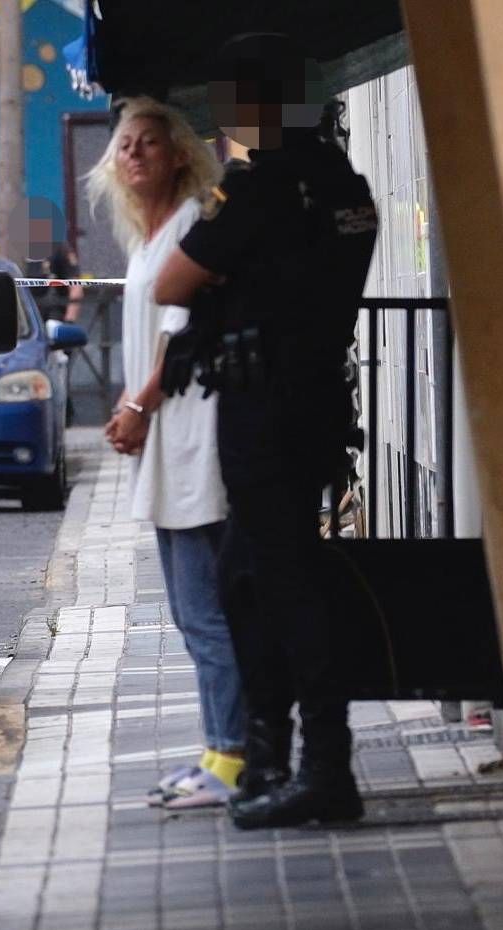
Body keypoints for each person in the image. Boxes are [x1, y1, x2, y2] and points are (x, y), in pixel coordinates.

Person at [154, 37, 379, 830]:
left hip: (263, 411)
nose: (223, 114)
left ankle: (317, 768)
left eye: (233, 100)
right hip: (315, 401)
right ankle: (275, 758)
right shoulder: (342, 182)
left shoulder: (261, 187)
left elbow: (170, 279)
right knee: (252, 582)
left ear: (263, 106)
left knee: (278, 586)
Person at [87, 97, 245, 808]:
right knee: (193, 612)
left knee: (205, 611)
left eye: (149, 143)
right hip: (167, 432)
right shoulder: (145, 239)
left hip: (193, 432)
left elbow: (183, 335)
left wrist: (134, 406)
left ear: (179, 152)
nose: (134, 154)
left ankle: (232, 758)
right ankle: (220, 748)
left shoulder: (189, 225)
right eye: (124, 144)